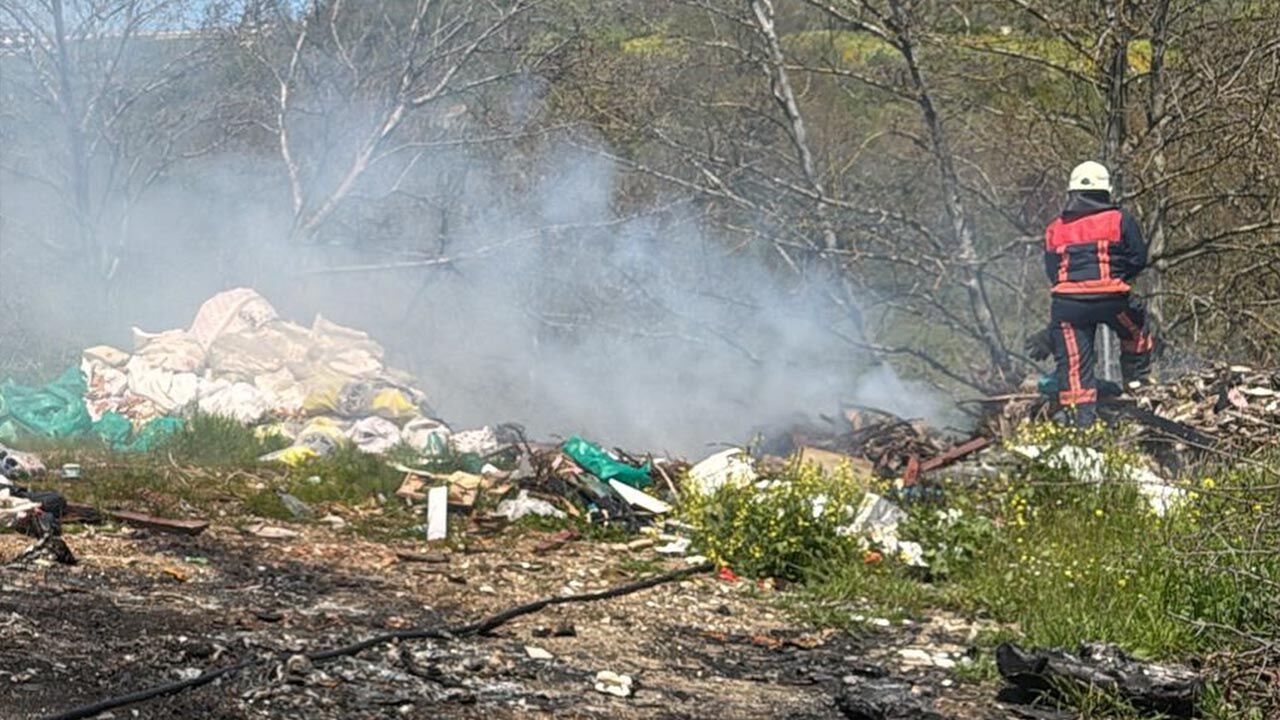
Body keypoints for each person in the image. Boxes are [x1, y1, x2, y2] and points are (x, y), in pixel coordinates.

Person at [1042, 161, 1158, 427]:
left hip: (1067, 306)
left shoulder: (1054, 227)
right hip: (1112, 300)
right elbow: (1138, 258)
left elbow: (1052, 270)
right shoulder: (1119, 219)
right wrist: (1117, 276)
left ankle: (1080, 425)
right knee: (1136, 329)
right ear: (1106, 191)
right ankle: (1137, 381)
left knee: (1074, 366)